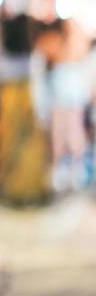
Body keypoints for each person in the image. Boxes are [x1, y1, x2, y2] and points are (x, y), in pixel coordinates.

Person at [0, 14, 53, 207]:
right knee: (30, 149)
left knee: (10, 148)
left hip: (9, 109)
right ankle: (31, 188)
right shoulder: (32, 58)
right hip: (29, 108)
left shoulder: (3, 57)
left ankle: (11, 188)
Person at [46, 17, 93, 194]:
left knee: (71, 130)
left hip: (69, 89)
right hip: (66, 89)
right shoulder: (62, 43)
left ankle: (72, 170)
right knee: (64, 131)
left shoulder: (71, 43)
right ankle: (67, 171)